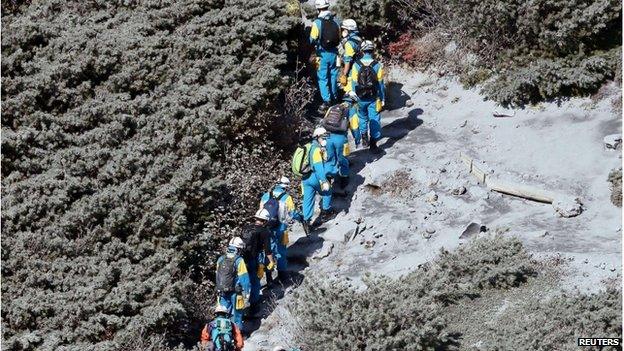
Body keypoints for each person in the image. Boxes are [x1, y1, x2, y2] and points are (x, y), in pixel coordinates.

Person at [259, 177, 303, 282]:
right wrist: (300, 218)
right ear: (285, 186)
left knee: (268, 251)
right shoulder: (287, 197)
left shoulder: (265, 196)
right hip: (281, 228)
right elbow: (292, 213)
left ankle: (269, 278)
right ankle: (282, 276)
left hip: (266, 228)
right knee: (281, 251)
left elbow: (260, 212)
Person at [348, 40, 386, 150]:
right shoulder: (377, 65)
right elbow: (380, 84)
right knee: (374, 118)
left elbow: (354, 83)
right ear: (372, 50)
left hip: (360, 97)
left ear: (362, 50)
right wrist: (382, 97)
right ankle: (374, 144)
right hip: (373, 97)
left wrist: (354, 97)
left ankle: (364, 139)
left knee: (362, 117)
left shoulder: (356, 65)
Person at [309, 0, 341, 114]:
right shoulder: (336, 21)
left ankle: (326, 101)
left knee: (322, 78)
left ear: (318, 8)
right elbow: (339, 37)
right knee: (333, 76)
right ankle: (335, 98)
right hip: (334, 53)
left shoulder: (317, 23)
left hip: (321, 54)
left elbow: (312, 39)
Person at [240, 209, 276, 308]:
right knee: (255, 281)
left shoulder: (246, 227)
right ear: (265, 221)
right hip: (253, 258)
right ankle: (254, 304)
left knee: (243, 279)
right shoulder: (264, 231)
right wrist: (271, 262)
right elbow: (268, 250)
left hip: (241, 258)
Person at [302, 127, 335, 228]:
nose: (325, 139)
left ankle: (306, 221)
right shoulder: (316, 149)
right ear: (317, 137)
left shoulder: (309, 146)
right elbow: (318, 167)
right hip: (314, 177)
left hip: (305, 178)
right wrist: (324, 181)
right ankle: (326, 212)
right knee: (327, 191)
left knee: (308, 200)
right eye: (323, 137)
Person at [215, 237, 250, 330]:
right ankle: (238, 336)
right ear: (239, 248)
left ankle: (222, 337)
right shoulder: (239, 260)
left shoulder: (220, 259)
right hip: (235, 293)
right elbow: (244, 279)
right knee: (237, 315)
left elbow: (217, 276)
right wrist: (247, 293)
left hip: (221, 292)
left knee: (222, 315)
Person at [322, 99, 353, 193]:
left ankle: (328, 177)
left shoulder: (333, 107)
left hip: (328, 136)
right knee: (342, 158)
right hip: (340, 138)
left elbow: (324, 120)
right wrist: (358, 137)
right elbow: (354, 125)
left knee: (330, 158)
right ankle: (344, 179)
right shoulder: (350, 110)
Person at [338, 19, 361, 91]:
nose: (342, 31)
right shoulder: (358, 39)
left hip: (352, 71)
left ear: (348, 30)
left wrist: (344, 74)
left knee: (350, 93)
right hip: (359, 68)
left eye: (344, 29)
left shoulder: (349, 43)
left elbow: (348, 61)